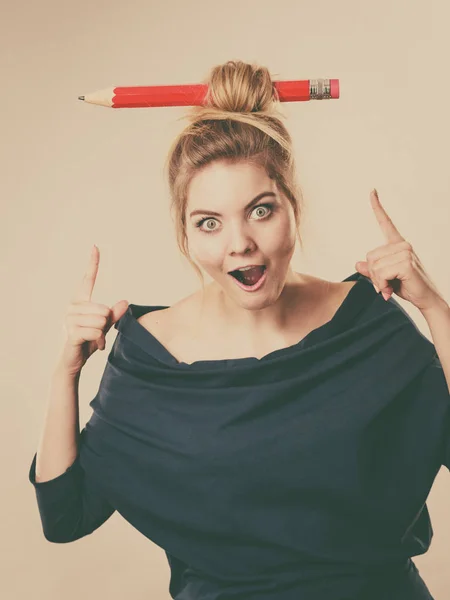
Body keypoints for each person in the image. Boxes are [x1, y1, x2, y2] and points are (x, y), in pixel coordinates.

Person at [28, 60, 448, 600]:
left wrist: (436, 308)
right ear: (185, 235)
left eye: (261, 210)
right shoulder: (151, 353)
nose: (239, 243)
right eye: (209, 222)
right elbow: (64, 516)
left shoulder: (367, 319)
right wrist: (66, 373)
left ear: (293, 209)